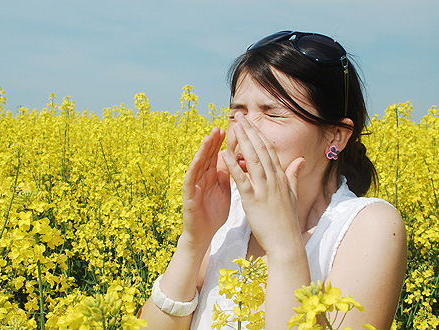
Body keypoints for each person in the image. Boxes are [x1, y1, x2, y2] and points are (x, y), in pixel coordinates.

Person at [139, 30, 407, 330]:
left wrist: (283, 246)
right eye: (236, 113)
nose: (243, 130)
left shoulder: (370, 226)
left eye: (273, 114)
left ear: (336, 136)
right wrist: (193, 242)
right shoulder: (230, 216)